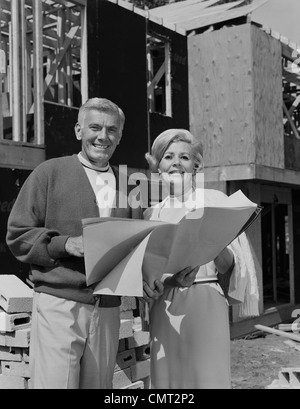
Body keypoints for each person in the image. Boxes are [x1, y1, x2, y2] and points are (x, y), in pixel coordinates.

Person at [6, 97, 145, 389]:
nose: (102, 136)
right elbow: (18, 234)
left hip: (107, 308)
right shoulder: (49, 173)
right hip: (60, 302)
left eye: (111, 130)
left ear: (119, 136)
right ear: (78, 131)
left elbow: (140, 245)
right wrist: (65, 244)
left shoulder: (129, 185)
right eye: (95, 127)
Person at [143, 128, 259, 389]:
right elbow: (147, 273)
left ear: (196, 165)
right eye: (168, 156)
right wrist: (166, 282)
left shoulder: (217, 201)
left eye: (184, 157)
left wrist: (210, 240)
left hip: (206, 301)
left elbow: (233, 268)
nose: (176, 164)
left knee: (207, 378)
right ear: (157, 165)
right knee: (168, 379)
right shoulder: (150, 214)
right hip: (164, 307)